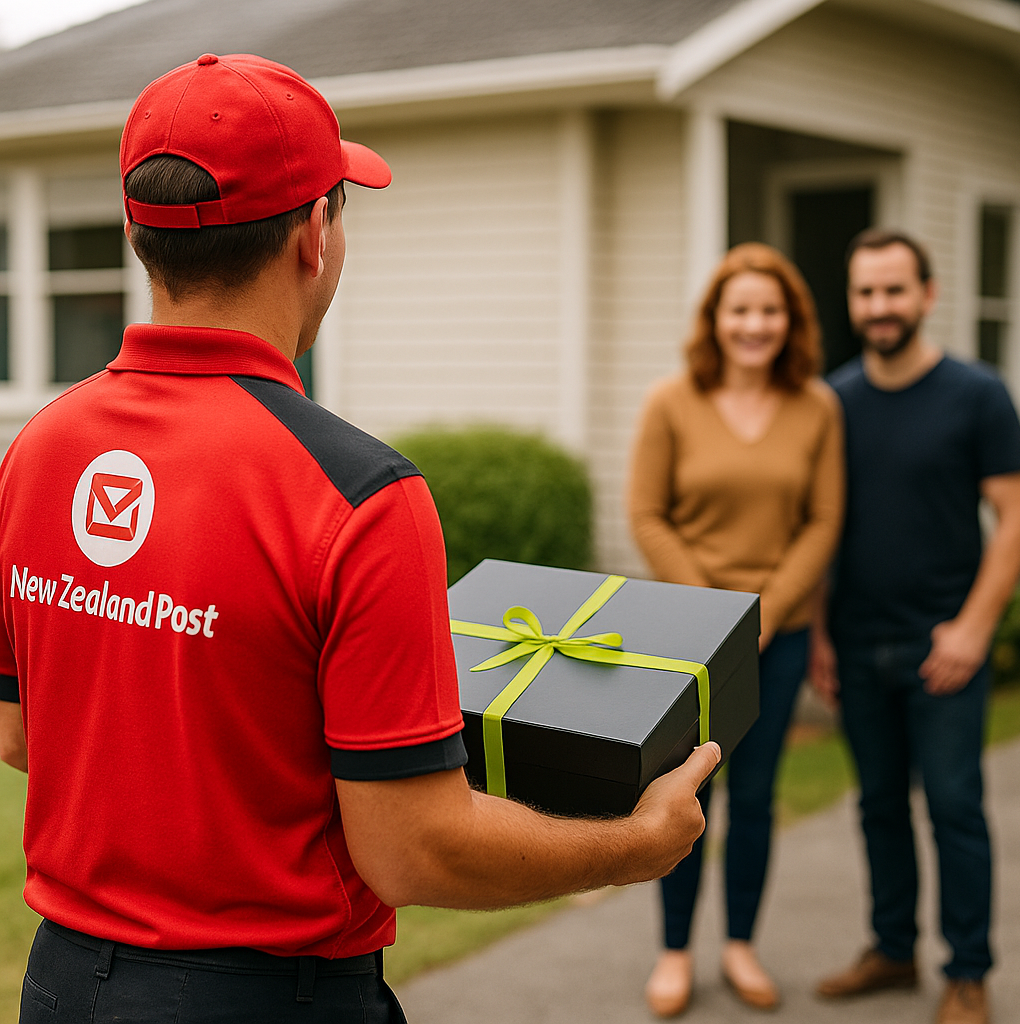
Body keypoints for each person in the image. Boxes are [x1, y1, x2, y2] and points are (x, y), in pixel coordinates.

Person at [0, 54, 723, 1024]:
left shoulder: (38, 448)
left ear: (139, 236)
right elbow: (412, 850)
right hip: (264, 1002)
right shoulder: (358, 493)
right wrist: (635, 846)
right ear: (315, 235)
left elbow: (19, 733)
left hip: (59, 985)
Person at [811, 229, 1020, 1024]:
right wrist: (821, 636)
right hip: (856, 643)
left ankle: (968, 972)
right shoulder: (832, 402)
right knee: (878, 806)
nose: (880, 307)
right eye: (866, 292)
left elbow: (1015, 517)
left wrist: (973, 628)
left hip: (944, 648)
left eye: (895, 290)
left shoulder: (978, 394)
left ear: (928, 295)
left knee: (955, 807)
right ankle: (893, 950)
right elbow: (822, 527)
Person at [628, 242, 845, 1016]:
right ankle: (675, 952)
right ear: (715, 319)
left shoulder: (818, 407)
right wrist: (715, 616)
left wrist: (766, 614)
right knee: (683, 795)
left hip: (774, 639)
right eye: (741, 309)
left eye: (770, 310)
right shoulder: (670, 401)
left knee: (754, 796)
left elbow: (823, 521)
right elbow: (647, 514)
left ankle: (741, 947)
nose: (755, 324)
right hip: (686, 637)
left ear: (791, 321)